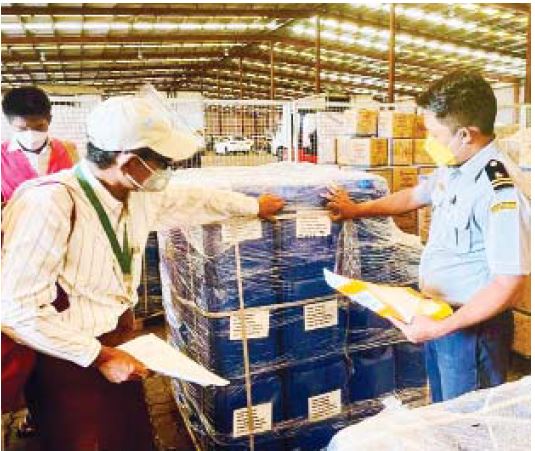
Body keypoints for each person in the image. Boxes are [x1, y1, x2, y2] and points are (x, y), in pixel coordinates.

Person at [1, 95, 284, 450]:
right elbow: (16, 310)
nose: (167, 170)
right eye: (162, 162)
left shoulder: (137, 193)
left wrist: (253, 206)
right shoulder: (49, 203)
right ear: (130, 161)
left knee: (130, 436)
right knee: (85, 441)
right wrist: (100, 356)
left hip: (120, 341)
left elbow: (193, 199)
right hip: (66, 357)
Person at [326, 71, 530, 402]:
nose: (428, 142)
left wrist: (439, 328)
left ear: (465, 134)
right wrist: (356, 210)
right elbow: (413, 196)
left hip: (469, 332)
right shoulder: (456, 166)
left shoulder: (500, 189)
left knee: (466, 421)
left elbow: (510, 283)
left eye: (434, 134)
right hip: (438, 318)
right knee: (442, 412)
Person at [2, 86, 79, 204]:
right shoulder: (2, 157)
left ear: (49, 120)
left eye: (39, 127)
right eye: (22, 128)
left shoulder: (69, 150)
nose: (31, 134)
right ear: (10, 123)